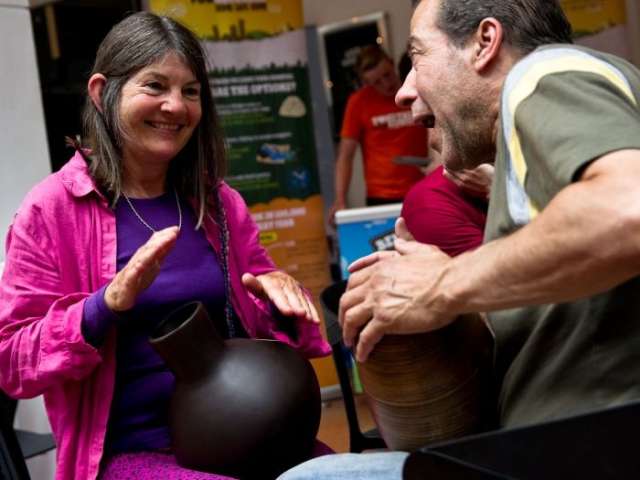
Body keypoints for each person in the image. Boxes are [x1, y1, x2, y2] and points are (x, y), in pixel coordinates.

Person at [277, 0, 640, 477]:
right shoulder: (540, 128)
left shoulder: (542, 73)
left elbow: (628, 209)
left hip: (582, 450)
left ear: (485, 43)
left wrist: (442, 283)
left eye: (419, 56)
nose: (404, 92)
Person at [0, 12, 331, 480]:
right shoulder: (51, 210)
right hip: (129, 454)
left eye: (190, 91)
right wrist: (103, 307)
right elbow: (11, 360)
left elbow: (263, 331)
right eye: (154, 86)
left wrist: (280, 300)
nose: (175, 106)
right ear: (101, 92)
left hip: (243, 431)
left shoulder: (218, 203)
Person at [329, 45, 427, 221]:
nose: (386, 84)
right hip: (381, 195)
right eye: (376, 82)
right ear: (366, 83)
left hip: (423, 186)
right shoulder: (358, 102)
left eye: (387, 75)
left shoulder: (416, 91)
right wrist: (340, 199)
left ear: (392, 63)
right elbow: (346, 155)